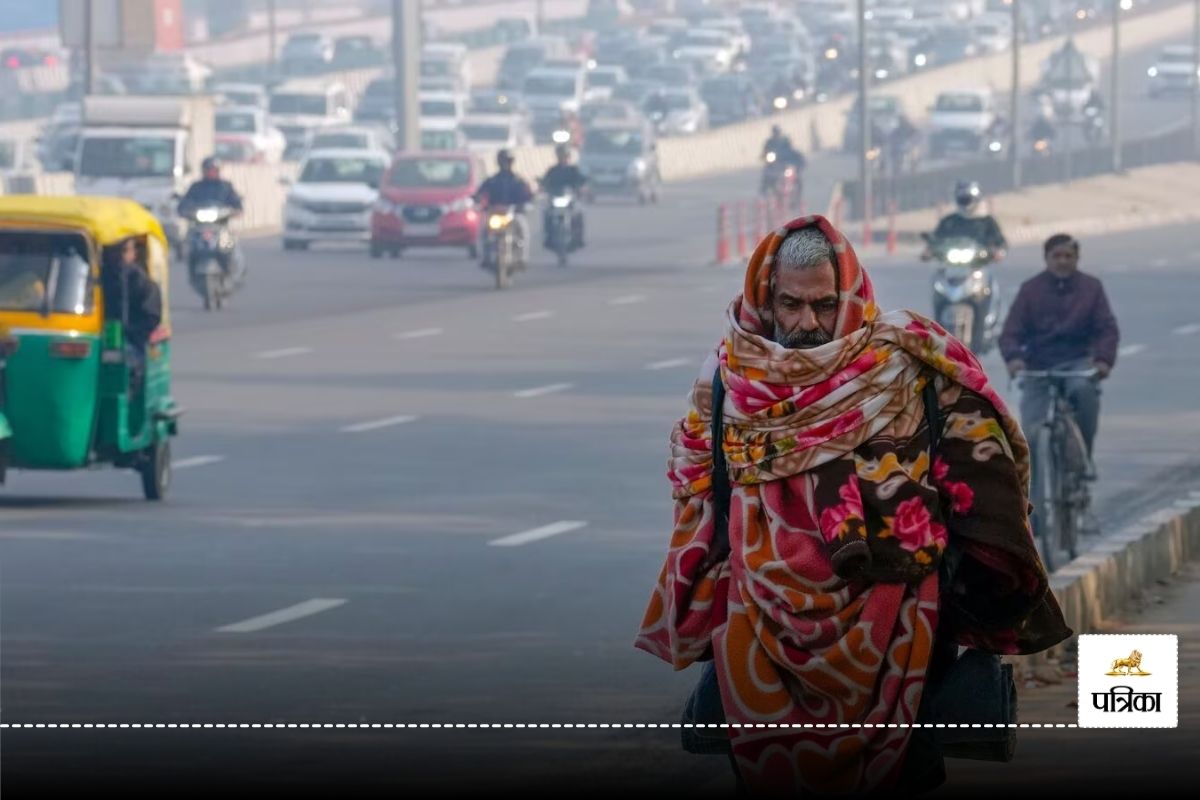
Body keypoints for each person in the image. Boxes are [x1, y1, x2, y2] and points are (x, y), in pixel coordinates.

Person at [635, 217, 1070, 796]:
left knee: (903, 776)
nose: (807, 322)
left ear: (848, 296)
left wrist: (987, 581)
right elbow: (696, 488)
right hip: (762, 627)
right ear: (766, 299)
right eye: (791, 304)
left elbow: (985, 475)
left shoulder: (907, 367)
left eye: (822, 304)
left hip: (899, 626)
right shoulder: (728, 382)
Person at [1000, 233, 1119, 463]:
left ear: (1077, 258)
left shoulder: (1091, 288)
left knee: (1084, 394)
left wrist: (1103, 360)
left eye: (1068, 256)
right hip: (1038, 364)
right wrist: (1014, 358)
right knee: (1031, 430)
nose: (1062, 261)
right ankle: (1034, 490)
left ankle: (1084, 458)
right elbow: (1011, 331)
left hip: (1078, 362)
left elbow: (1107, 328)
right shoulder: (1030, 290)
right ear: (1046, 258)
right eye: (1057, 256)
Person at [101, 236, 163, 392]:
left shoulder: (140, 282)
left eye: (124, 250)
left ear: (133, 254)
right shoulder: (97, 277)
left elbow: (151, 317)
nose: (121, 256)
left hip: (131, 342)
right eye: (115, 251)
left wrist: (128, 331)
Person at [177, 156, 246, 280]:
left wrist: (236, 210)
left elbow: (235, 202)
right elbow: (185, 202)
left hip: (220, 226)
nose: (211, 172)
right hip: (199, 226)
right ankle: (193, 271)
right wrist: (184, 210)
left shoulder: (226, 186)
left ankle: (233, 270)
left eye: (214, 169)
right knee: (188, 243)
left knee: (229, 245)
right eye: (209, 169)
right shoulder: (196, 187)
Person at [474, 149, 534, 266]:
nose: (505, 164)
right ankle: (485, 257)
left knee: (523, 229)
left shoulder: (518, 180)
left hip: (512, 213)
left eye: (507, 161)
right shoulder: (492, 180)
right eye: (503, 161)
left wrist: (525, 203)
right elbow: (480, 193)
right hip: (495, 213)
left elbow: (528, 194)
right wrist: (477, 200)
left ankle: (522, 258)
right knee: (483, 231)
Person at [928, 180, 1007, 257]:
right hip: (951, 263)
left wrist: (998, 251)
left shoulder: (986, 221)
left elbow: (999, 240)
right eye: (963, 200)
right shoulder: (949, 221)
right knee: (940, 269)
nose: (966, 203)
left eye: (968, 199)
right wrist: (929, 250)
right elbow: (937, 238)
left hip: (978, 261)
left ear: (976, 199)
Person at [539, 144, 588, 249]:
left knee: (579, 213)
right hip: (554, 199)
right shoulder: (552, 170)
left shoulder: (573, 170)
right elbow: (545, 181)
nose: (563, 158)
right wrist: (543, 186)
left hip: (570, 200)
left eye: (564, 156)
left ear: (568, 157)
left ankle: (579, 238)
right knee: (546, 214)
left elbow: (581, 181)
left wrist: (581, 187)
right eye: (561, 156)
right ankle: (548, 237)